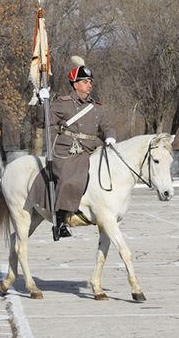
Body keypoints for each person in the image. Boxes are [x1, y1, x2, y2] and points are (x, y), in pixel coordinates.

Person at [35, 56, 116, 240]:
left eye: (90, 81)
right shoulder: (63, 103)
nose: (90, 85)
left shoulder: (96, 108)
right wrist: (42, 103)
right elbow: (42, 122)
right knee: (71, 175)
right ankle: (61, 220)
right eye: (85, 81)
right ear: (75, 84)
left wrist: (110, 137)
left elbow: (107, 126)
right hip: (68, 151)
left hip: (91, 149)